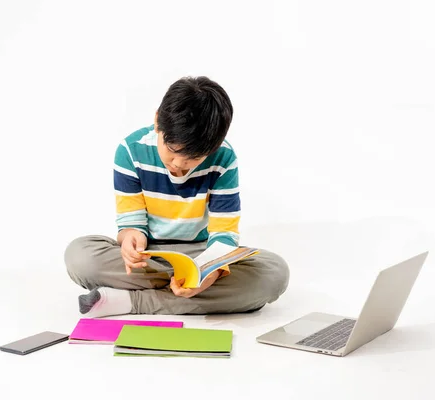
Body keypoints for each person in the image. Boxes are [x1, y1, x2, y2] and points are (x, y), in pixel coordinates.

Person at [64, 76, 289, 317]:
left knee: (274, 272)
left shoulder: (224, 158)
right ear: (157, 121)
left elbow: (224, 233)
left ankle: (131, 302)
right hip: (150, 258)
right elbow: (131, 223)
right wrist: (130, 238)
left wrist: (209, 272)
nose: (178, 165)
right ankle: (187, 294)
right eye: (172, 151)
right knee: (80, 256)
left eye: (194, 159)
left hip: (202, 255)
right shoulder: (131, 150)